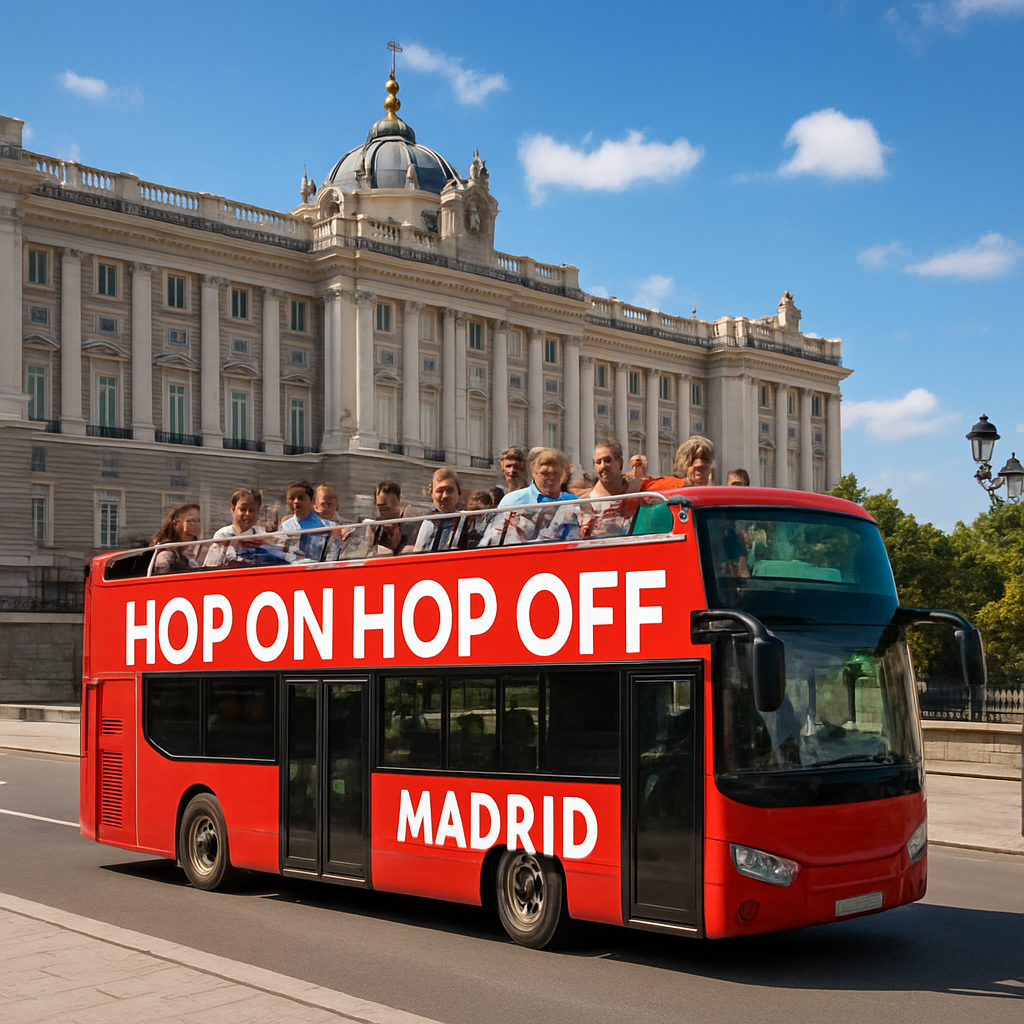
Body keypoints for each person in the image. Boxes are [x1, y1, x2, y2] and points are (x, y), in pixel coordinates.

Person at [490, 448, 578, 544]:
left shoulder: (573, 502)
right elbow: (495, 539)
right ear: (534, 473)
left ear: (563, 476)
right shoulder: (512, 501)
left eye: (555, 473)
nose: (551, 477)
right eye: (544, 473)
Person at [204, 488, 265, 567]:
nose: (247, 514)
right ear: (233, 509)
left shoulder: (261, 536)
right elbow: (213, 565)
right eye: (243, 509)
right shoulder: (223, 535)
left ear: (258, 510)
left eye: (252, 510)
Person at [414, 468, 470, 552]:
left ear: (458, 493)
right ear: (431, 491)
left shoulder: (469, 521)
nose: (445, 496)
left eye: (450, 491)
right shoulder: (420, 522)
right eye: (440, 491)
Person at [639, 435, 716, 491]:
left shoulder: (718, 494)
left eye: (705, 459)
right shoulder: (667, 486)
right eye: (693, 460)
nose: (699, 464)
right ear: (685, 464)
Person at [281, 480, 330, 560]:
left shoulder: (327, 526)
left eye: (300, 498)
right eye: (292, 498)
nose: (296, 502)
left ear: (312, 501)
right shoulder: (286, 527)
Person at [151, 503, 202, 574]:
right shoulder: (166, 555)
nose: (196, 525)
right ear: (176, 524)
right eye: (191, 521)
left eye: (198, 521)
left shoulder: (199, 550)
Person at [373, 480, 418, 556]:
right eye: (380, 507)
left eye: (386, 508)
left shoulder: (410, 526)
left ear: (397, 501)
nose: (382, 511)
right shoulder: (376, 527)